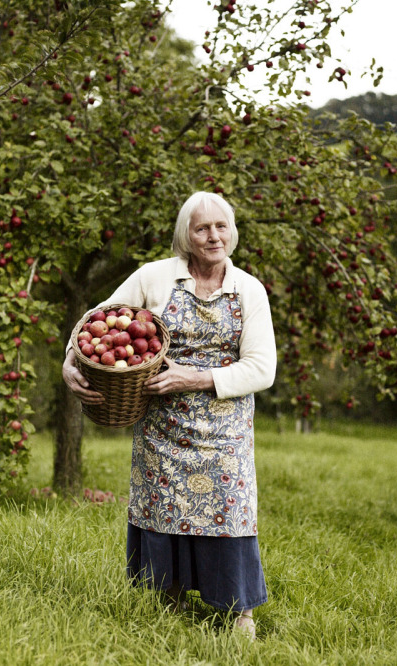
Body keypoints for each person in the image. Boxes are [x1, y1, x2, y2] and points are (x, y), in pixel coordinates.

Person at [62, 191, 276, 638]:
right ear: (186, 235)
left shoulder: (249, 289)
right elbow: (97, 321)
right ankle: (167, 601)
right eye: (201, 228)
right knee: (163, 510)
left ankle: (239, 612)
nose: (212, 236)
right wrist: (70, 360)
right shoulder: (155, 278)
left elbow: (262, 368)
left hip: (225, 430)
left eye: (220, 226)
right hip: (162, 427)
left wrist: (194, 378)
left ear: (232, 232)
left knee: (229, 511)